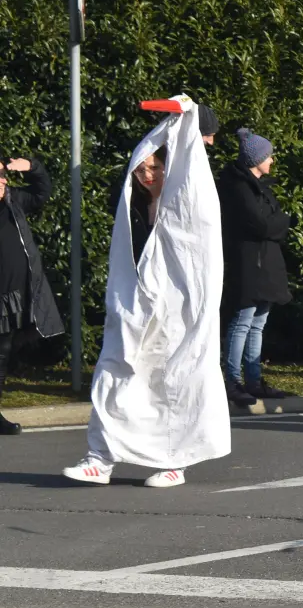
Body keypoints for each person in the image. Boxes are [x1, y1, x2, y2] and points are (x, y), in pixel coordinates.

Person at [64, 96, 229, 488]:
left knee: (178, 375)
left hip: (179, 307)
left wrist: (187, 121)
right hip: (137, 301)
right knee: (117, 367)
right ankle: (100, 457)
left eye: (155, 167)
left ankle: (175, 460)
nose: (147, 175)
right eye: (140, 169)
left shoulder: (192, 205)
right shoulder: (133, 204)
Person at [218, 128, 292, 406]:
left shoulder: (259, 186)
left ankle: (253, 380)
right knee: (243, 321)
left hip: (266, 264)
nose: (272, 160)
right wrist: (278, 223)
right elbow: (262, 224)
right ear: (256, 159)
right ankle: (233, 381)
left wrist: (276, 223)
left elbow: (275, 220)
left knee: (257, 323)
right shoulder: (239, 188)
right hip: (249, 264)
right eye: (268, 156)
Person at [0, 155, 65, 435]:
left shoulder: (13, 200)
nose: (1, 181)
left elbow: (42, 193)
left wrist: (32, 167)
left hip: (13, 296)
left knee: (3, 352)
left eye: (1, 175)